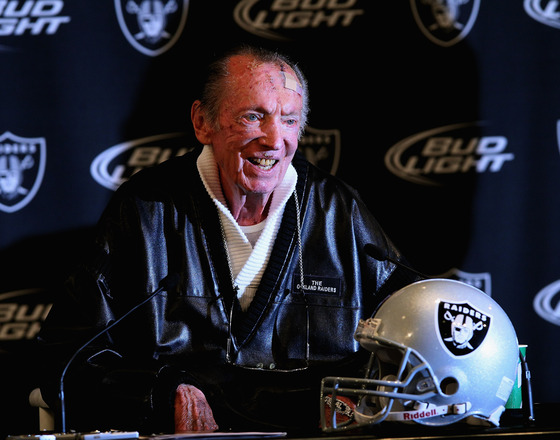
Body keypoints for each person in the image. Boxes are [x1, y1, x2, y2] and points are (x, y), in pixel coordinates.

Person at [35, 44, 417, 435]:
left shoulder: (338, 210)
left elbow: (415, 339)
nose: (273, 139)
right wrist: (162, 392)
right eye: (254, 117)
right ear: (203, 123)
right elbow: (66, 355)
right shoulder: (147, 209)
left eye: (288, 121)